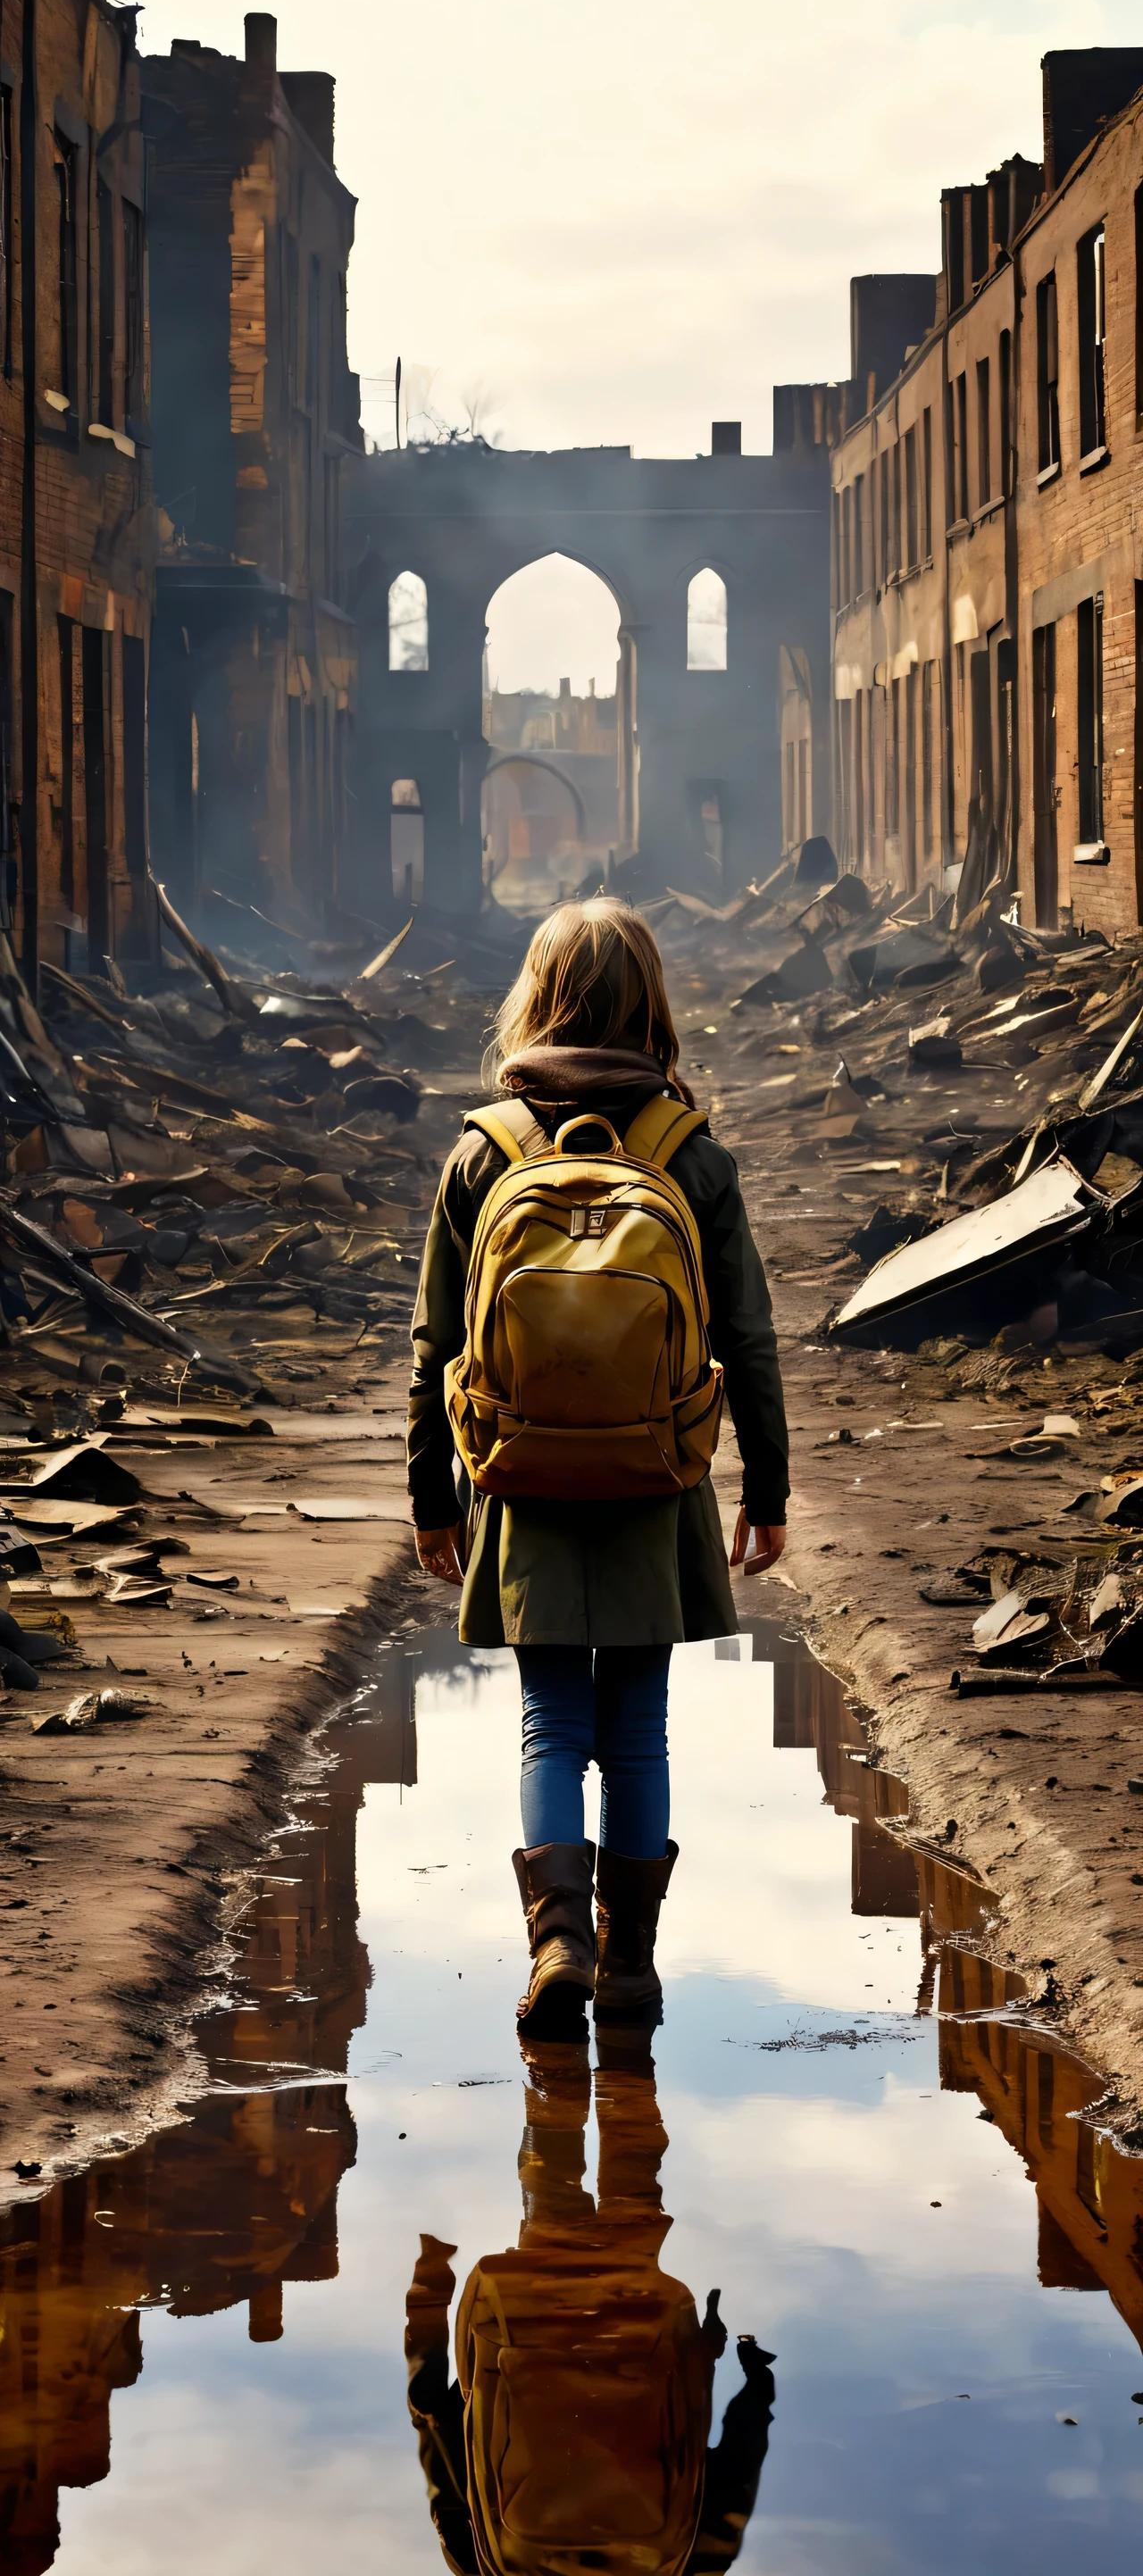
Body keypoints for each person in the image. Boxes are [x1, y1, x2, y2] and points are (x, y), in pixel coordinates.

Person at [408, 900, 788, 2032]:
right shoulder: (692, 1153)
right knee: (635, 1727)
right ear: (649, 1004)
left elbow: (436, 1346)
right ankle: (630, 1965)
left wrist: (434, 1498)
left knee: (547, 1723)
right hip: (655, 1483)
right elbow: (747, 1340)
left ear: (535, 998)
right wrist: (763, 1492)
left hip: (519, 1482)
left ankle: (555, 1947)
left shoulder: (484, 1151)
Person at [404, 2030, 776, 2576]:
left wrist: (755, 2385)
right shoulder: (483, 2569)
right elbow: (434, 2418)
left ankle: (625, 2031)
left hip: (642, 2339)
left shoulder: (685, 2572)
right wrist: (428, 2296)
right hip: (525, 2324)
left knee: (634, 2191)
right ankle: (554, 2055)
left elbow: (733, 2480)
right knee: (548, 2195)